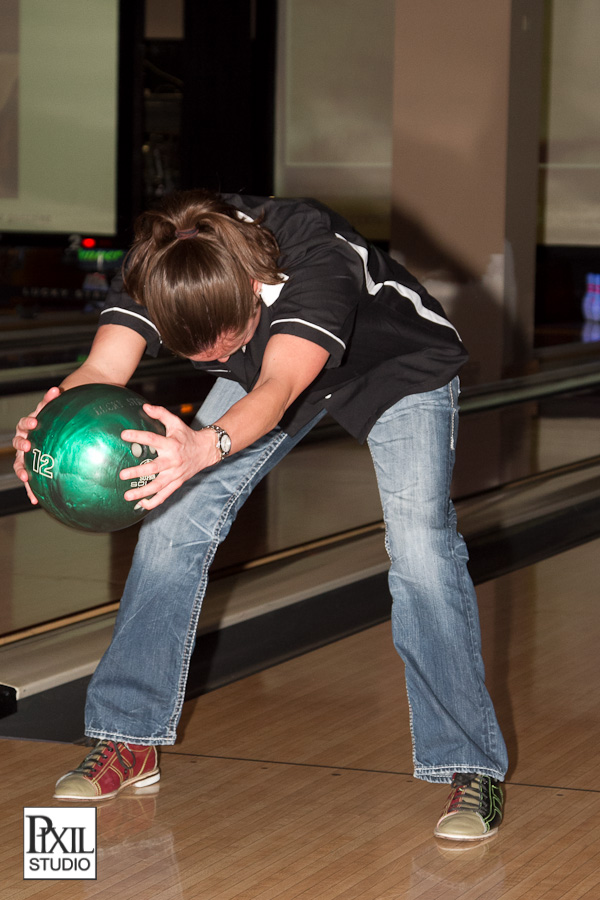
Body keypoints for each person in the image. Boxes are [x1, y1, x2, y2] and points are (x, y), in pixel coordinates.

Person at [13, 189, 508, 841]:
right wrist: (47, 429)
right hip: (267, 376)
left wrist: (202, 447)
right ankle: (129, 738)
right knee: (173, 522)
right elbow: (102, 368)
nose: (209, 358)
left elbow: (276, 391)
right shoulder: (164, 265)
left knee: (420, 547)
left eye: (225, 341)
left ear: (253, 289)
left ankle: (469, 764)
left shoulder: (316, 264)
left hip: (397, 369)